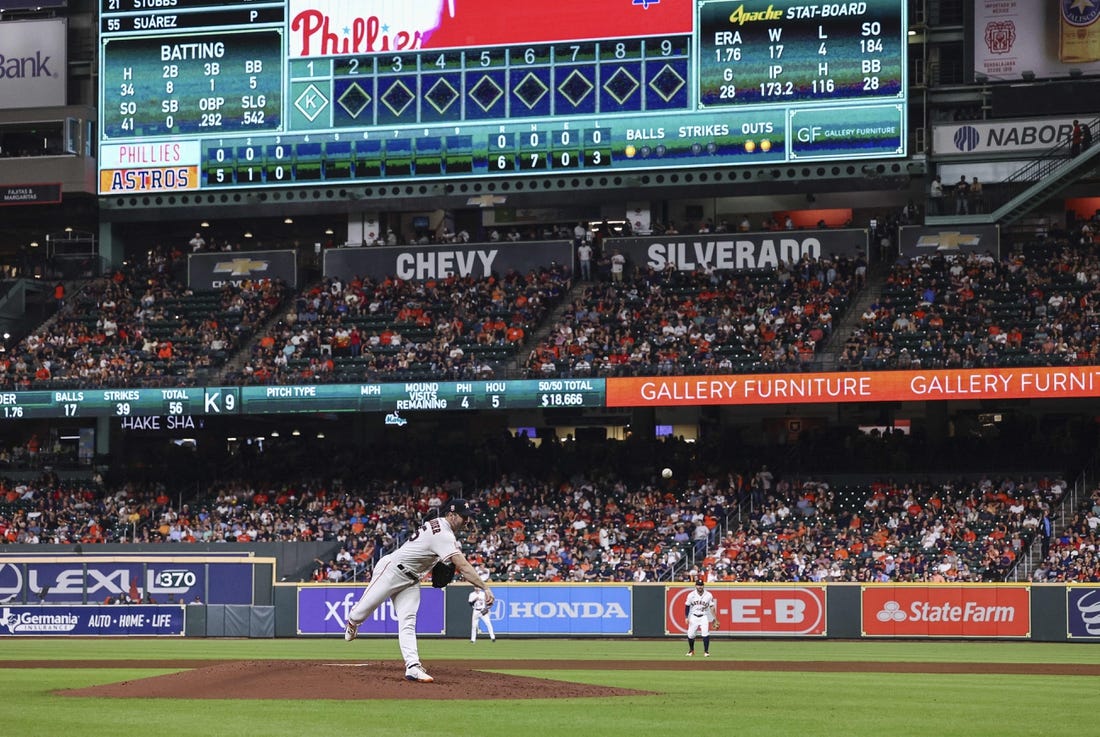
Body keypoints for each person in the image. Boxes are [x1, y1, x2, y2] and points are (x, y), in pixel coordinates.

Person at [344, 499, 493, 683]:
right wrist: (484, 587)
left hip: (410, 579)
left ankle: (413, 666)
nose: (467, 521)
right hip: (391, 571)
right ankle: (352, 622)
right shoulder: (444, 534)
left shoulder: (441, 528)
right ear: (451, 515)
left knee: (408, 620)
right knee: (360, 612)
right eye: (464, 517)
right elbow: (462, 566)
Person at [684, 578, 717, 657]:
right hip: (693, 616)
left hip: (704, 616)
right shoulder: (691, 595)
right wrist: (686, 617)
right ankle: (691, 650)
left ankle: (706, 651)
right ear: (695, 586)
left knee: (705, 633)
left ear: (703, 586)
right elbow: (687, 606)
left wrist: (715, 618)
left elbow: (712, 607)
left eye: (701, 585)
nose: (700, 587)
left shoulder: (708, 595)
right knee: (691, 635)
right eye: (698, 585)